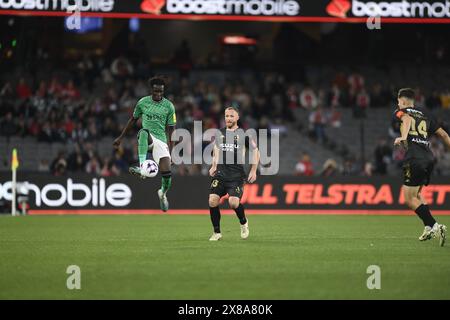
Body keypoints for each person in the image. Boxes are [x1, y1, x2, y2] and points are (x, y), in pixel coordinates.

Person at [393, 88, 450, 246]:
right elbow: (444, 135)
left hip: (414, 158)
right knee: (417, 194)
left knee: (409, 199)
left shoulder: (401, 111)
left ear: (403, 101)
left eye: (398, 101)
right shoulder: (426, 113)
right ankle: (428, 227)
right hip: (429, 157)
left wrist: (403, 138)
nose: (398, 104)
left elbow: (406, 119)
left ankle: (435, 226)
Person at [113, 76, 176, 212]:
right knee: (143, 131)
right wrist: (120, 138)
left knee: (167, 175)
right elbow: (132, 120)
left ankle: (163, 194)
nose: (158, 94)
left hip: (161, 141)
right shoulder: (143, 102)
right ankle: (142, 166)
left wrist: (173, 152)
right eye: (156, 92)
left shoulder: (169, 106)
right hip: (148, 138)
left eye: (161, 92)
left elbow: (172, 130)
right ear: (151, 90)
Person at [208, 106, 260, 241]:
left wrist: (253, 170)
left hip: (236, 176)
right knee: (213, 200)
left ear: (237, 117)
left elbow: (256, 151)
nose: (228, 118)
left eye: (231, 116)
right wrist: (214, 165)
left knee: (233, 203)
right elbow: (216, 149)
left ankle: (243, 222)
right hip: (220, 173)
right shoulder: (220, 133)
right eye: (226, 116)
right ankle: (217, 232)